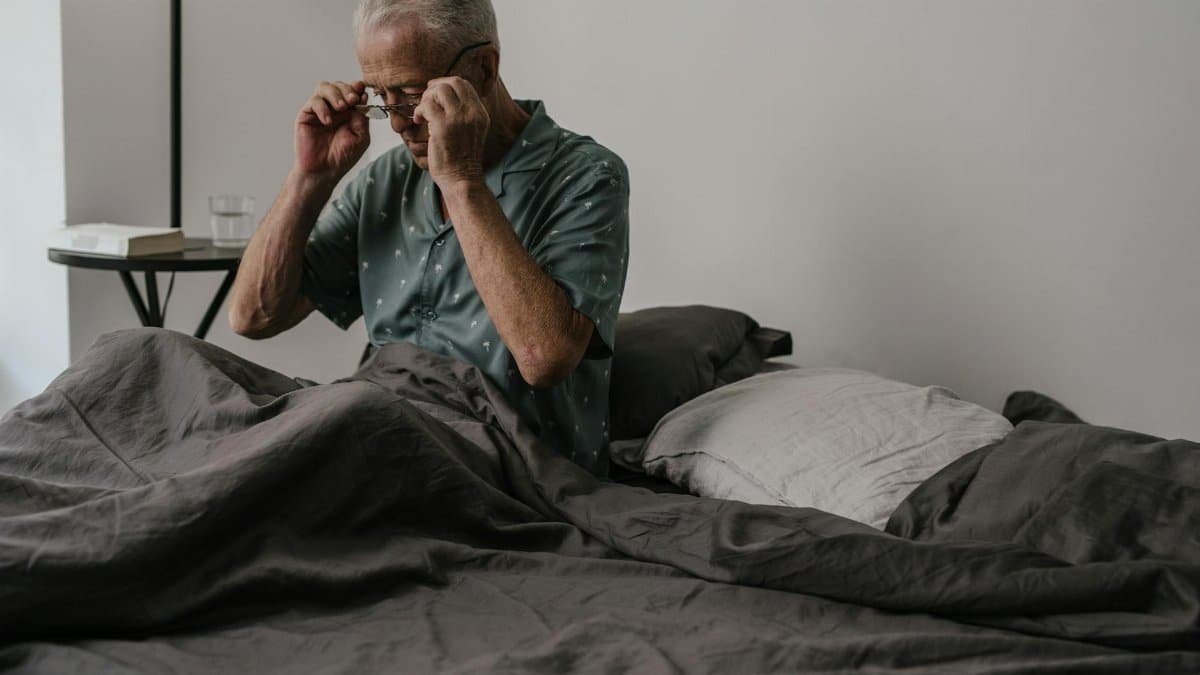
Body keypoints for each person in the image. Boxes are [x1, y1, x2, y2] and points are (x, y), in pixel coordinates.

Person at [227, 0, 630, 477]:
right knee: (165, 360)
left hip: (504, 465)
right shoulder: (385, 180)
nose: (398, 123)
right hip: (377, 430)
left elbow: (544, 359)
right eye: (382, 98)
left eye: (412, 95)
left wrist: (461, 181)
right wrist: (309, 178)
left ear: (484, 68)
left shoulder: (586, 176)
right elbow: (253, 317)